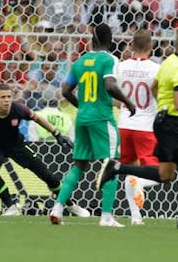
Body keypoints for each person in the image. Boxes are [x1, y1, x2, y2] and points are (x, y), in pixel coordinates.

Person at [96, 30, 178, 230]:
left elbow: (147, 88)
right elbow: (177, 102)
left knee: (164, 175)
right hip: (154, 124)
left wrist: (157, 104)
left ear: (131, 45)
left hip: (126, 122)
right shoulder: (168, 67)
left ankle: (134, 210)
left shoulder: (156, 64)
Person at [0, 83, 90, 217]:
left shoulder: (19, 109)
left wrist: (57, 134)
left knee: (46, 174)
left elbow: (37, 118)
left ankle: (71, 205)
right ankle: (11, 206)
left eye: (9, 97)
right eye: (3, 97)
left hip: (16, 145)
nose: (7, 100)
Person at [49, 23, 136, 227]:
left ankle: (58, 208)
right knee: (111, 164)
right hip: (102, 118)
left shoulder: (80, 61)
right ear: (111, 40)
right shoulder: (110, 59)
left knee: (79, 164)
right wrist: (128, 101)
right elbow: (110, 84)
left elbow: (65, 89)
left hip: (82, 119)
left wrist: (83, 106)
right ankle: (106, 217)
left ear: (92, 40)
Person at [117, 29, 160, 226]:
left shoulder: (121, 66)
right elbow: (160, 97)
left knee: (130, 170)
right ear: (151, 47)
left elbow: (113, 95)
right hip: (146, 125)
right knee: (159, 173)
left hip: (124, 124)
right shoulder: (155, 69)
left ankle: (136, 217)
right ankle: (141, 183)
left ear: (131, 45)